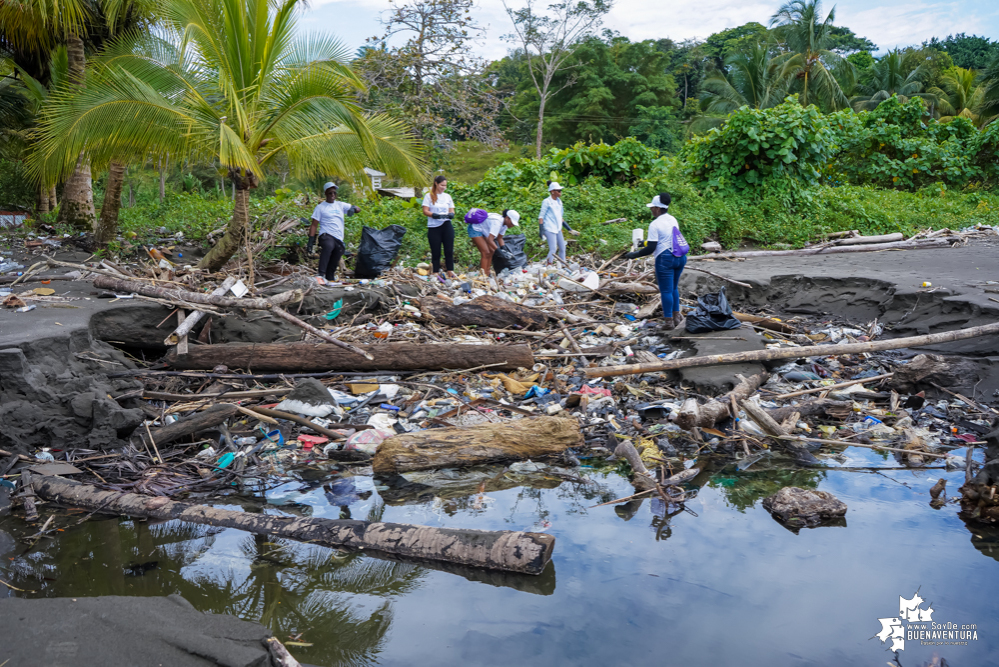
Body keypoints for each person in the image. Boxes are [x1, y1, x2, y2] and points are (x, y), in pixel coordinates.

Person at [625, 192, 689, 329]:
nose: (651, 209)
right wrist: (644, 243)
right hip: (679, 257)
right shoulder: (672, 219)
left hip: (665, 260)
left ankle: (668, 322)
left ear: (658, 208)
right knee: (673, 288)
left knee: (665, 291)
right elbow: (662, 239)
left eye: (652, 207)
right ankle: (676, 316)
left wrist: (634, 255)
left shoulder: (654, 224)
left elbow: (652, 248)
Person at [307, 182, 359, 285]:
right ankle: (320, 274)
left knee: (338, 252)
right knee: (329, 246)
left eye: (334, 193)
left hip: (338, 237)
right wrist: (310, 241)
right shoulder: (321, 207)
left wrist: (353, 209)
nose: (332, 195)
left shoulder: (340, 205)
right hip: (326, 235)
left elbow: (358, 208)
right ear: (326, 193)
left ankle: (329, 278)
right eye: (330, 193)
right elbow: (314, 225)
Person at [422, 175, 456, 277]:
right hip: (434, 226)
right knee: (436, 250)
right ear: (436, 183)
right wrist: (433, 215)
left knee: (449, 249)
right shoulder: (429, 196)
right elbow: (425, 210)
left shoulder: (447, 196)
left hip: (446, 224)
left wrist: (451, 214)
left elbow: (452, 209)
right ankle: (435, 271)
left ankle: (450, 270)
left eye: (445, 186)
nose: (443, 188)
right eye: (441, 185)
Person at [538, 181, 579, 265]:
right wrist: (541, 231)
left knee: (562, 248)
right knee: (553, 249)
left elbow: (560, 217)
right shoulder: (547, 201)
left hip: (558, 228)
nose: (560, 192)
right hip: (549, 228)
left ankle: (563, 265)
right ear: (553, 191)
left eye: (560, 190)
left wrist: (569, 229)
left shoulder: (559, 202)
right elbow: (541, 217)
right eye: (558, 191)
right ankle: (548, 265)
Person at [474, 209, 520, 276]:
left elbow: (499, 238)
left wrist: (504, 249)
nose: (512, 225)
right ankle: (483, 275)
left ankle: (487, 273)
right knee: (486, 252)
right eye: (512, 223)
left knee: (492, 251)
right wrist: (498, 250)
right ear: (507, 218)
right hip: (476, 229)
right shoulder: (497, 222)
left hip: (485, 231)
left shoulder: (504, 225)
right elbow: (490, 240)